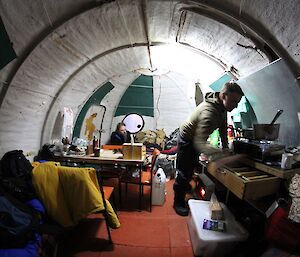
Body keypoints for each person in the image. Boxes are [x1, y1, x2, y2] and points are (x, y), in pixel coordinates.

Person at [173, 81, 245, 216]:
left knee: (193, 165)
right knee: (184, 171)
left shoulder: (222, 108)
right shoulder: (210, 112)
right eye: (234, 102)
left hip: (195, 138)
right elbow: (199, 143)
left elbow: (223, 127)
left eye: (237, 103)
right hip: (187, 139)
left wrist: (225, 147)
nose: (235, 107)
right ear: (223, 96)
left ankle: (185, 185)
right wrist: (224, 156)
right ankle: (178, 201)